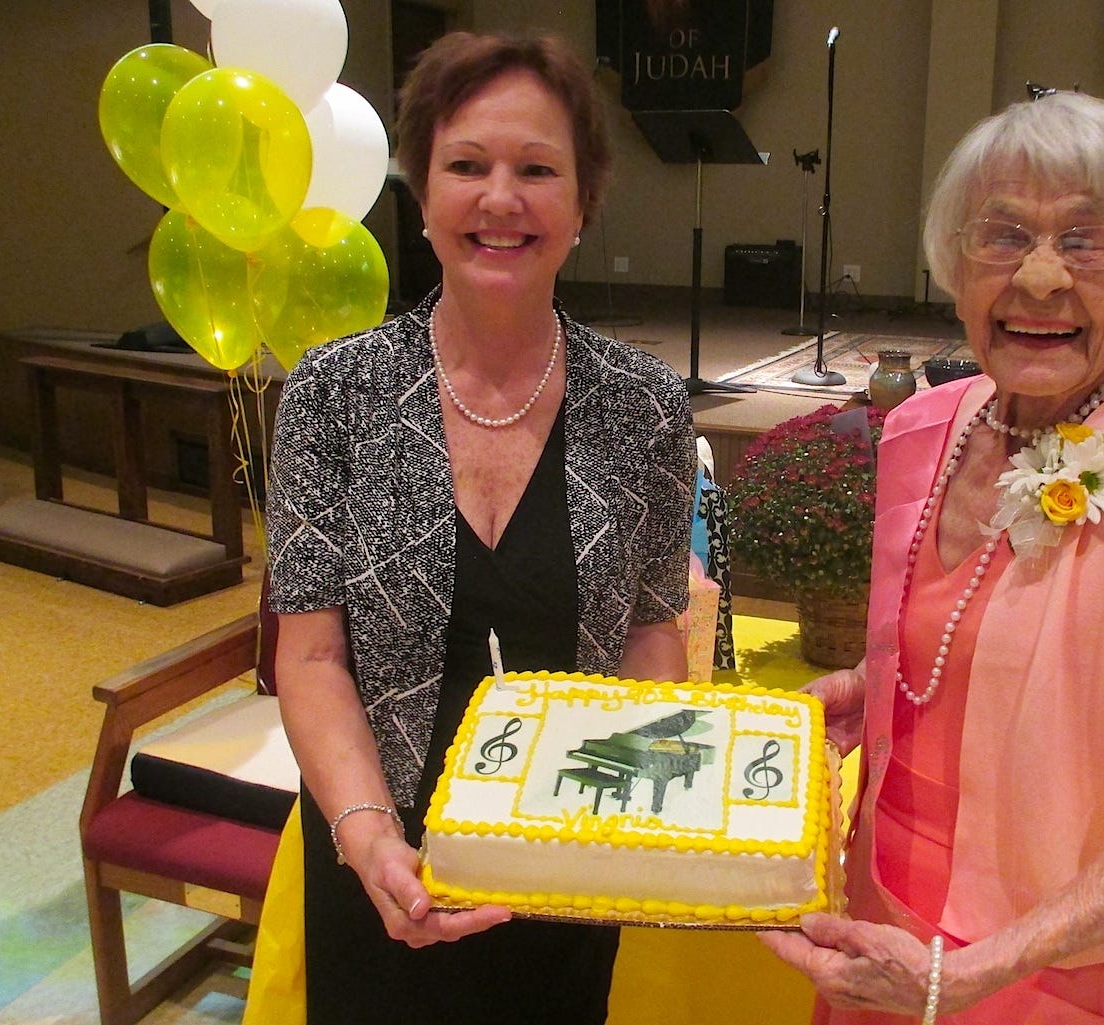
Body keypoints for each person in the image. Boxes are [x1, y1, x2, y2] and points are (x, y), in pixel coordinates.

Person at [760, 92, 1104, 1023]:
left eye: (1085, 240)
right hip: (871, 931)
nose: (1039, 278)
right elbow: (968, 658)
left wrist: (968, 974)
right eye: (1001, 237)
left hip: (1033, 970)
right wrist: (870, 688)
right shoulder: (924, 427)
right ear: (954, 265)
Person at [265, 31, 695, 1025]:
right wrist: (371, 835)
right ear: (423, 198)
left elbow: (650, 630)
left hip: (566, 859)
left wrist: (640, 807)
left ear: (584, 204)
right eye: (467, 166)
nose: (501, 198)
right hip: (379, 853)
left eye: (537, 169)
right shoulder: (335, 393)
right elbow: (314, 651)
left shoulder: (647, 405)